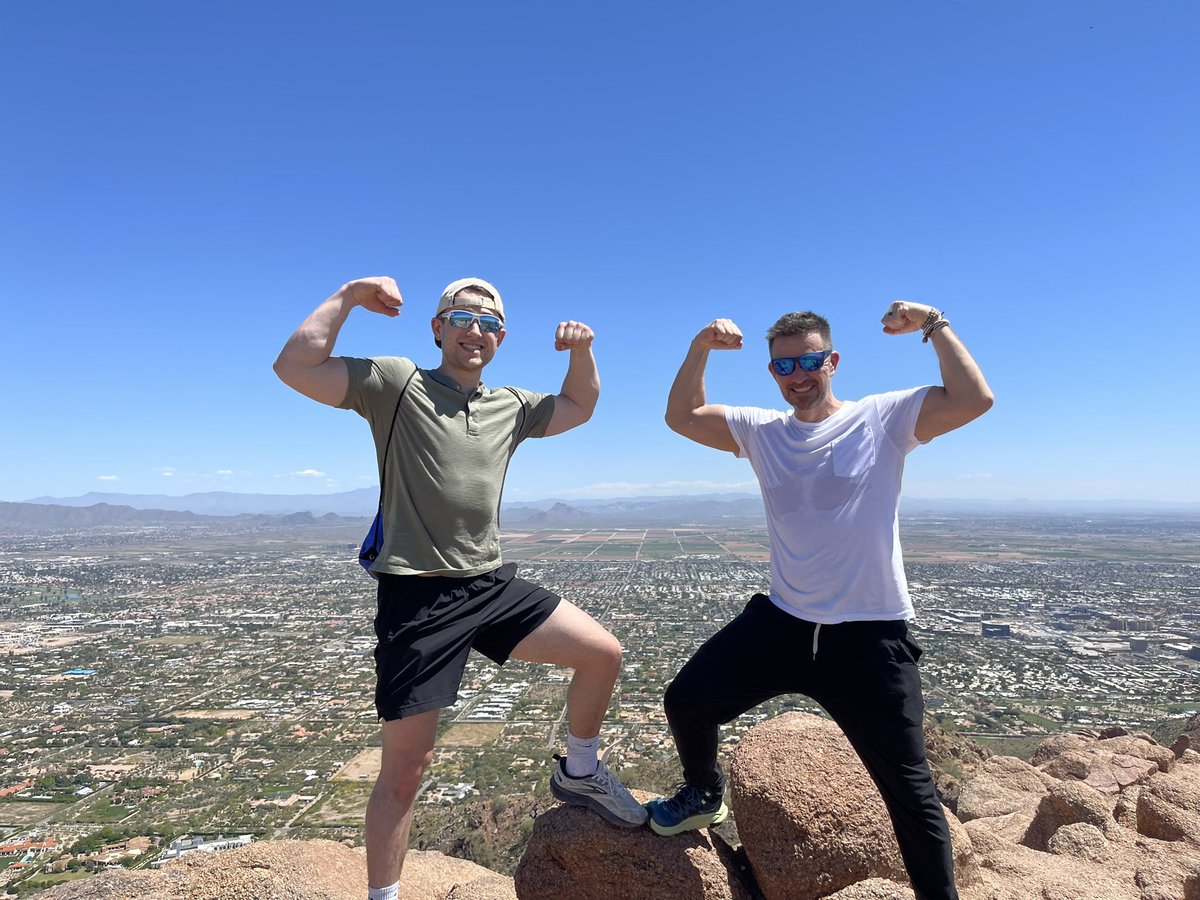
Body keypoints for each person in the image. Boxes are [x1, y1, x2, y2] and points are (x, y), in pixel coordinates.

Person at [273, 276, 646, 900]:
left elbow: (579, 406)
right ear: (438, 328)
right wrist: (348, 296)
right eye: (462, 317)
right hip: (418, 597)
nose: (476, 330)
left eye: (490, 322)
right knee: (405, 772)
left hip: (489, 584)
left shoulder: (511, 406)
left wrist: (582, 351)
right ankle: (383, 895)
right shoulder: (397, 385)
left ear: (500, 338)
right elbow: (297, 364)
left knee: (602, 652)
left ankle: (580, 771)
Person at [650, 302, 993, 900]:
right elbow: (681, 416)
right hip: (784, 622)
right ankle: (704, 792)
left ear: (832, 361)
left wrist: (934, 324)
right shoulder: (763, 431)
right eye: (784, 365)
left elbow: (973, 399)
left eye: (810, 361)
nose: (798, 375)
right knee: (687, 701)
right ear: (773, 372)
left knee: (911, 796)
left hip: (870, 637)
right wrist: (700, 345)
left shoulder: (881, 418)